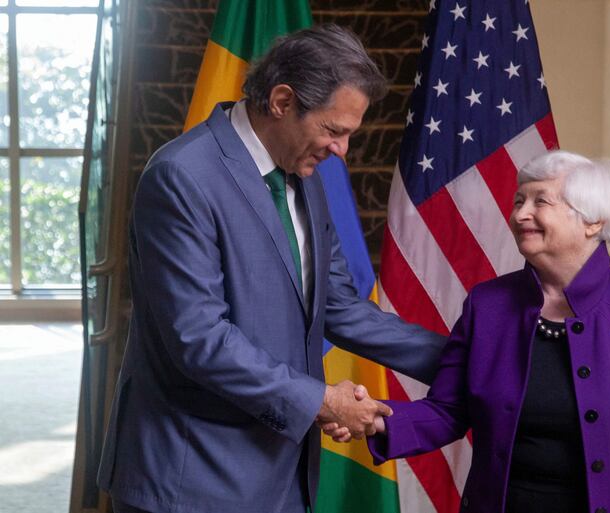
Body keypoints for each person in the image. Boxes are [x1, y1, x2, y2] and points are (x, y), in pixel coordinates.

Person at [97, 24, 445, 513]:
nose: (341, 150)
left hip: (282, 472)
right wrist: (322, 401)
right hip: (191, 478)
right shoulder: (181, 177)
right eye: (334, 130)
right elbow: (199, 339)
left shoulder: (305, 172)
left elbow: (340, 307)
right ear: (282, 101)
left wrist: (464, 360)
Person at [327, 151, 610, 512]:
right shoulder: (486, 305)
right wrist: (374, 418)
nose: (521, 213)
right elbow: (449, 410)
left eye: (540, 202)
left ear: (594, 221)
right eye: (518, 201)